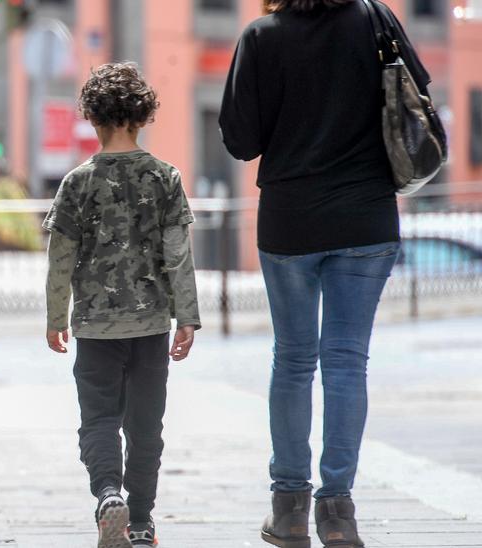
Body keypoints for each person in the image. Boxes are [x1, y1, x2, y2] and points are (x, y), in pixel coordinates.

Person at [219, 1, 430, 546]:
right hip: (366, 218)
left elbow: (240, 140)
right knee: (346, 362)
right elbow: (419, 92)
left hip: (290, 221)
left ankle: (288, 508)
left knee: (293, 360)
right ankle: (337, 511)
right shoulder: (375, 19)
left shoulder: (262, 36)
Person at [44, 63, 201, 548]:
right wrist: (187, 317)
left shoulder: (77, 182)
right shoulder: (165, 178)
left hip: (94, 330)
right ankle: (140, 522)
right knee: (145, 426)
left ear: (91, 117)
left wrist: (55, 319)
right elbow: (177, 253)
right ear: (143, 116)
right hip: (152, 326)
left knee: (98, 420)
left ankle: (108, 494)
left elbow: (60, 259)